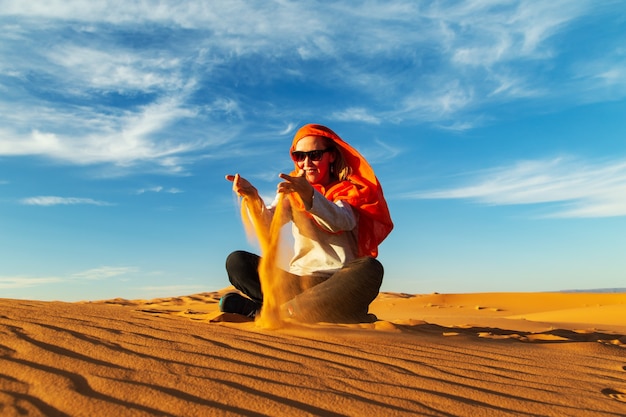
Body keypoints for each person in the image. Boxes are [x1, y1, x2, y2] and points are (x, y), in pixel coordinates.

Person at [220, 124, 393, 323]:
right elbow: (268, 225)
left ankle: (270, 312)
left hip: (338, 285)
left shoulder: (349, 190)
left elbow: (341, 221)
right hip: (298, 283)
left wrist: (310, 195)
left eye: (315, 154)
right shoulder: (291, 191)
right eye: (300, 156)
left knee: (370, 269)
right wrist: (253, 198)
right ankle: (289, 311)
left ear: (332, 156)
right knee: (237, 261)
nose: (307, 162)